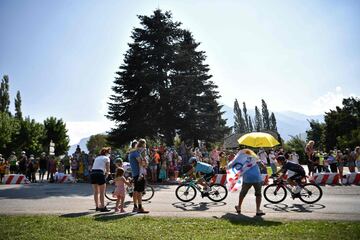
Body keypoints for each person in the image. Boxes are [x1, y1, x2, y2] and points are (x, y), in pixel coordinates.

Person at [129, 139, 149, 213]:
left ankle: (135, 207)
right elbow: (141, 163)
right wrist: (144, 162)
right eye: (144, 146)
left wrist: (144, 162)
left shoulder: (133, 152)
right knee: (139, 191)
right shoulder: (136, 153)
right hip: (139, 174)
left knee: (136, 190)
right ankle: (139, 207)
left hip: (136, 173)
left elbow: (144, 164)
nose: (144, 148)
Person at [90, 147, 111, 212]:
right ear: (106, 153)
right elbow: (108, 169)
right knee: (102, 192)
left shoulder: (97, 158)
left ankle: (97, 206)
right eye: (109, 152)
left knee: (96, 192)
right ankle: (102, 206)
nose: (109, 154)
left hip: (93, 173)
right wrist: (106, 176)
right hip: (100, 173)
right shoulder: (107, 158)